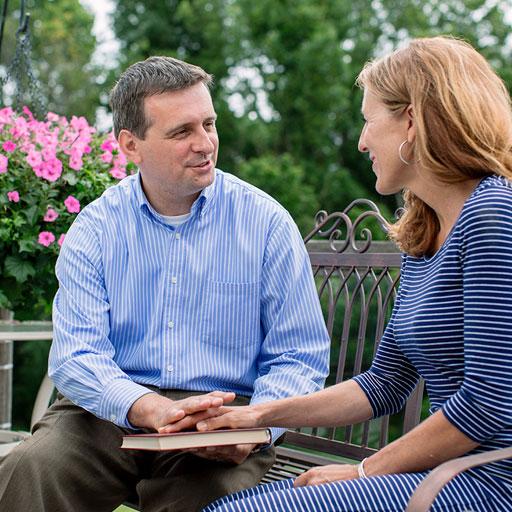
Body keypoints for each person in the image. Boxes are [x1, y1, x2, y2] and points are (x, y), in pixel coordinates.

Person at [173, 36, 512, 511]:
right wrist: (256, 413)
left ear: (411, 120)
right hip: (447, 474)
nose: (362, 141)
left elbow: (490, 402)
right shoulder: (426, 231)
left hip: (489, 481)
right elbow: (385, 384)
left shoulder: (494, 214)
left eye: (369, 121)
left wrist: (363, 470)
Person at [0, 57, 330, 512]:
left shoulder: (265, 222)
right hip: (109, 413)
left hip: (223, 418)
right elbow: (77, 356)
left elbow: (300, 354)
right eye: (182, 132)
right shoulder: (95, 228)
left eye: (209, 124)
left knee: (211, 498)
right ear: (131, 145)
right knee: (29, 470)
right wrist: (144, 407)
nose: (204, 144)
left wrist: (254, 423)